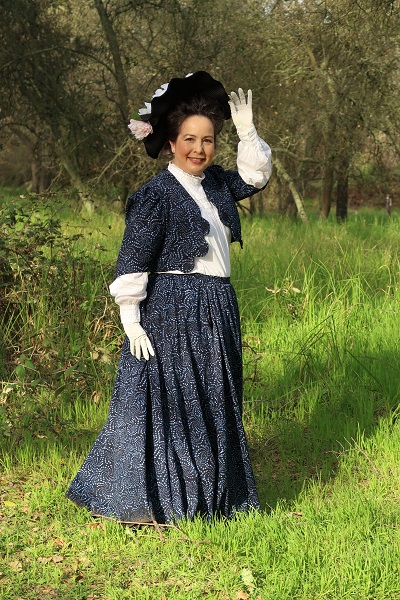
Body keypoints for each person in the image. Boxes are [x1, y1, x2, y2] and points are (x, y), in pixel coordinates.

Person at [66, 71, 272, 524]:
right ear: (171, 143)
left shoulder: (217, 184)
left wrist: (249, 131)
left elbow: (255, 175)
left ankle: (213, 498)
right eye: (190, 139)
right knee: (175, 404)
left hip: (218, 305)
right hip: (173, 308)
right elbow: (134, 259)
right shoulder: (155, 196)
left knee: (215, 399)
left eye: (209, 140)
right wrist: (131, 319)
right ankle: (168, 501)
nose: (200, 149)